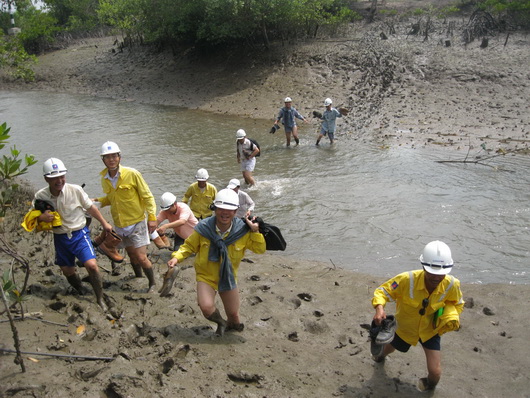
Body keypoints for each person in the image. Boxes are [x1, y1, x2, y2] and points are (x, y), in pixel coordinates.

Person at [165, 189, 266, 335]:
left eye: (229, 210)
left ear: (236, 210)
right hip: (206, 276)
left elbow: (259, 249)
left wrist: (256, 231)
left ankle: (231, 326)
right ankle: (221, 322)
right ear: (214, 209)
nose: (225, 213)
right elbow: (188, 246)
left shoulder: (243, 231)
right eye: (221, 209)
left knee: (234, 315)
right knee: (206, 307)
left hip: (228, 276)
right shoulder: (203, 228)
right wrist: (176, 257)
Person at [371, 240, 465, 391]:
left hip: (430, 331)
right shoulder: (407, 280)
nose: (436, 278)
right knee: (386, 350)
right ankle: (379, 356)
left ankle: (428, 385)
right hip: (404, 329)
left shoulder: (452, 284)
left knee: (435, 373)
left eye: (440, 274)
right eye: (432, 273)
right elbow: (383, 291)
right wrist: (379, 309)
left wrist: (448, 317)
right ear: (423, 266)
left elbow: (458, 303)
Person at [32, 158, 113, 311]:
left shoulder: (75, 190)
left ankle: (99, 298)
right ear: (46, 179)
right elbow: (30, 217)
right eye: (54, 178)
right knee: (67, 270)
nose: (59, 181)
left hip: (79, 234)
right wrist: (41, 217)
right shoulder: (40, 196)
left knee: (92, 266)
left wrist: (104, 223)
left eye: (62, 177)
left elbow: (91, 208)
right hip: (60, 236)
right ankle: (80, 288)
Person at [95, 141, 158, 293]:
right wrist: (97, 202)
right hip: (120, 224)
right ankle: (138, 277)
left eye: (114, 156)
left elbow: (147, 196)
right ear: (103, 160)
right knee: (131, 255)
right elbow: (110, 198)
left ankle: (152, 284)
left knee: (141, 257)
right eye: (107, 157)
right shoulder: (104, 178)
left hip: (137, 222)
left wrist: (152, 217)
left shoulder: (132, 174)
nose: (111, 159)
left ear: (119, 157)